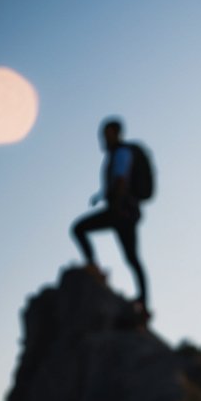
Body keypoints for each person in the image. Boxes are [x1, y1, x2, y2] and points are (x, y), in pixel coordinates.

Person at [72, 118, 149, 319]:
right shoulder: (115, 154)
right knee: (131, 257)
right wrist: (101, 196)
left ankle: (142, 302)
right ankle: (143, 302)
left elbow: (121, 180)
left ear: (115, 132)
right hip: (123, 211)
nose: (103, 137)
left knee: (79, 229)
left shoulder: (121, 153)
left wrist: (116, 207)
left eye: (106, 132)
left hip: (122, 211)